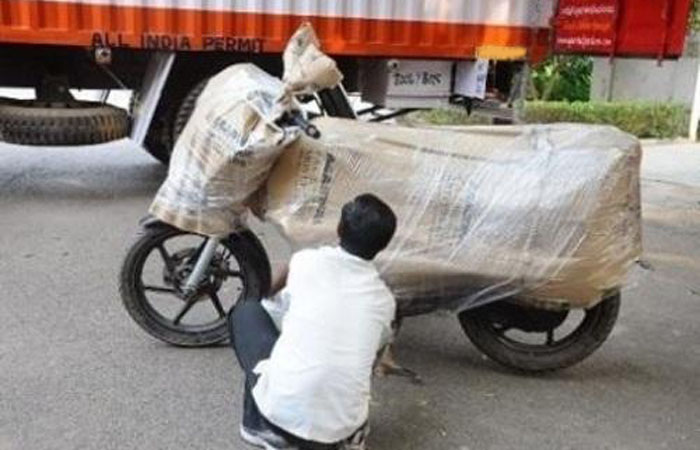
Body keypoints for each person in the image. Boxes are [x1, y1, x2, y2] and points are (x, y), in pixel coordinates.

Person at [229, 193, 398, 450]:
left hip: (280, 417)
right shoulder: (384, 300)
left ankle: (258, 427)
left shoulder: (306, 262)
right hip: (340, 429)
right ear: (383, 246)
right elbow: (376, 352)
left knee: (246, 313)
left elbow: (268, 301)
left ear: (339, 228)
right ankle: (351, 435)